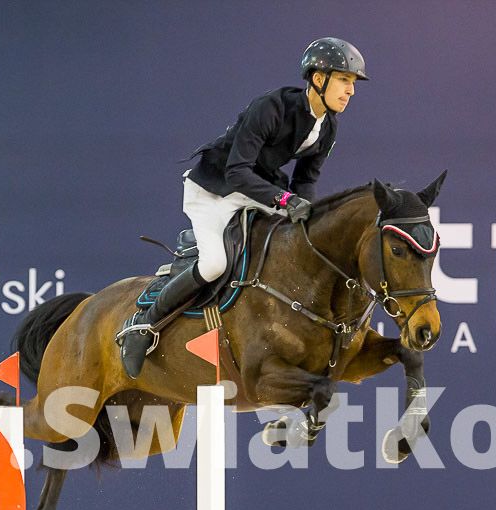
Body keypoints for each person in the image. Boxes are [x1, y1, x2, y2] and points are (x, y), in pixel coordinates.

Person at [119, 37, 368, 378]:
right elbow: (237, 171)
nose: (350, 90)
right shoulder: (271, 107)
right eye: (344, 80)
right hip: (215, 189)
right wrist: (285, 201)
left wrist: (307, 212)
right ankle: (143, 324)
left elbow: (306, 179)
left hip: (258, 192)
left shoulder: (328, 126)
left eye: (353, 83)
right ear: (318, 79)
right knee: (214, 264)